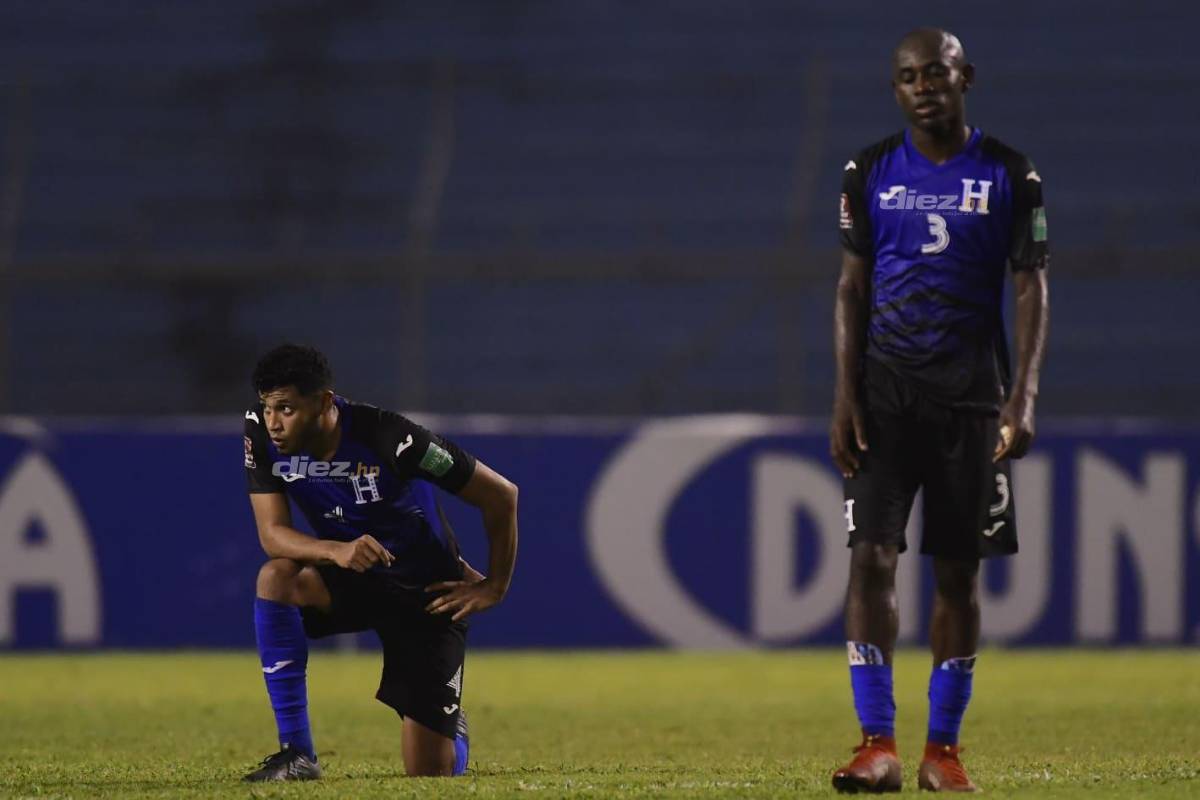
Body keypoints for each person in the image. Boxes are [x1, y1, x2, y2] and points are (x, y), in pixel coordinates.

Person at [828, 28, 1049, 793]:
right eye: (909, 76)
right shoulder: (869, 170)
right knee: (871, 560)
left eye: (938, 73)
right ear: (896, 89)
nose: (924, 86)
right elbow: (852, 286)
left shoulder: (1010, 174)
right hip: (887, 397)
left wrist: (1020, 399)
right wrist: (845, 394)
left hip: (972, 402)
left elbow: (1031, 287)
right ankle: (877, 744)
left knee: (958, 575)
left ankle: (943, 753)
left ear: (966, 78)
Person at [240, 344, 518, 781]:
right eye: (269, 407)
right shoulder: (258, 430)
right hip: (353, 577)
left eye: (287, 409)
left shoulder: (394, 439)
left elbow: (501, 495)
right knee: (276, 578)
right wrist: (336, 550)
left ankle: (449, 729)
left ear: (325, 402)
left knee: (429, 773)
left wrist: (494, 586)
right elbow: (272, 535)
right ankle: (297, 754)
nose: (274, 422)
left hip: (425, 594)